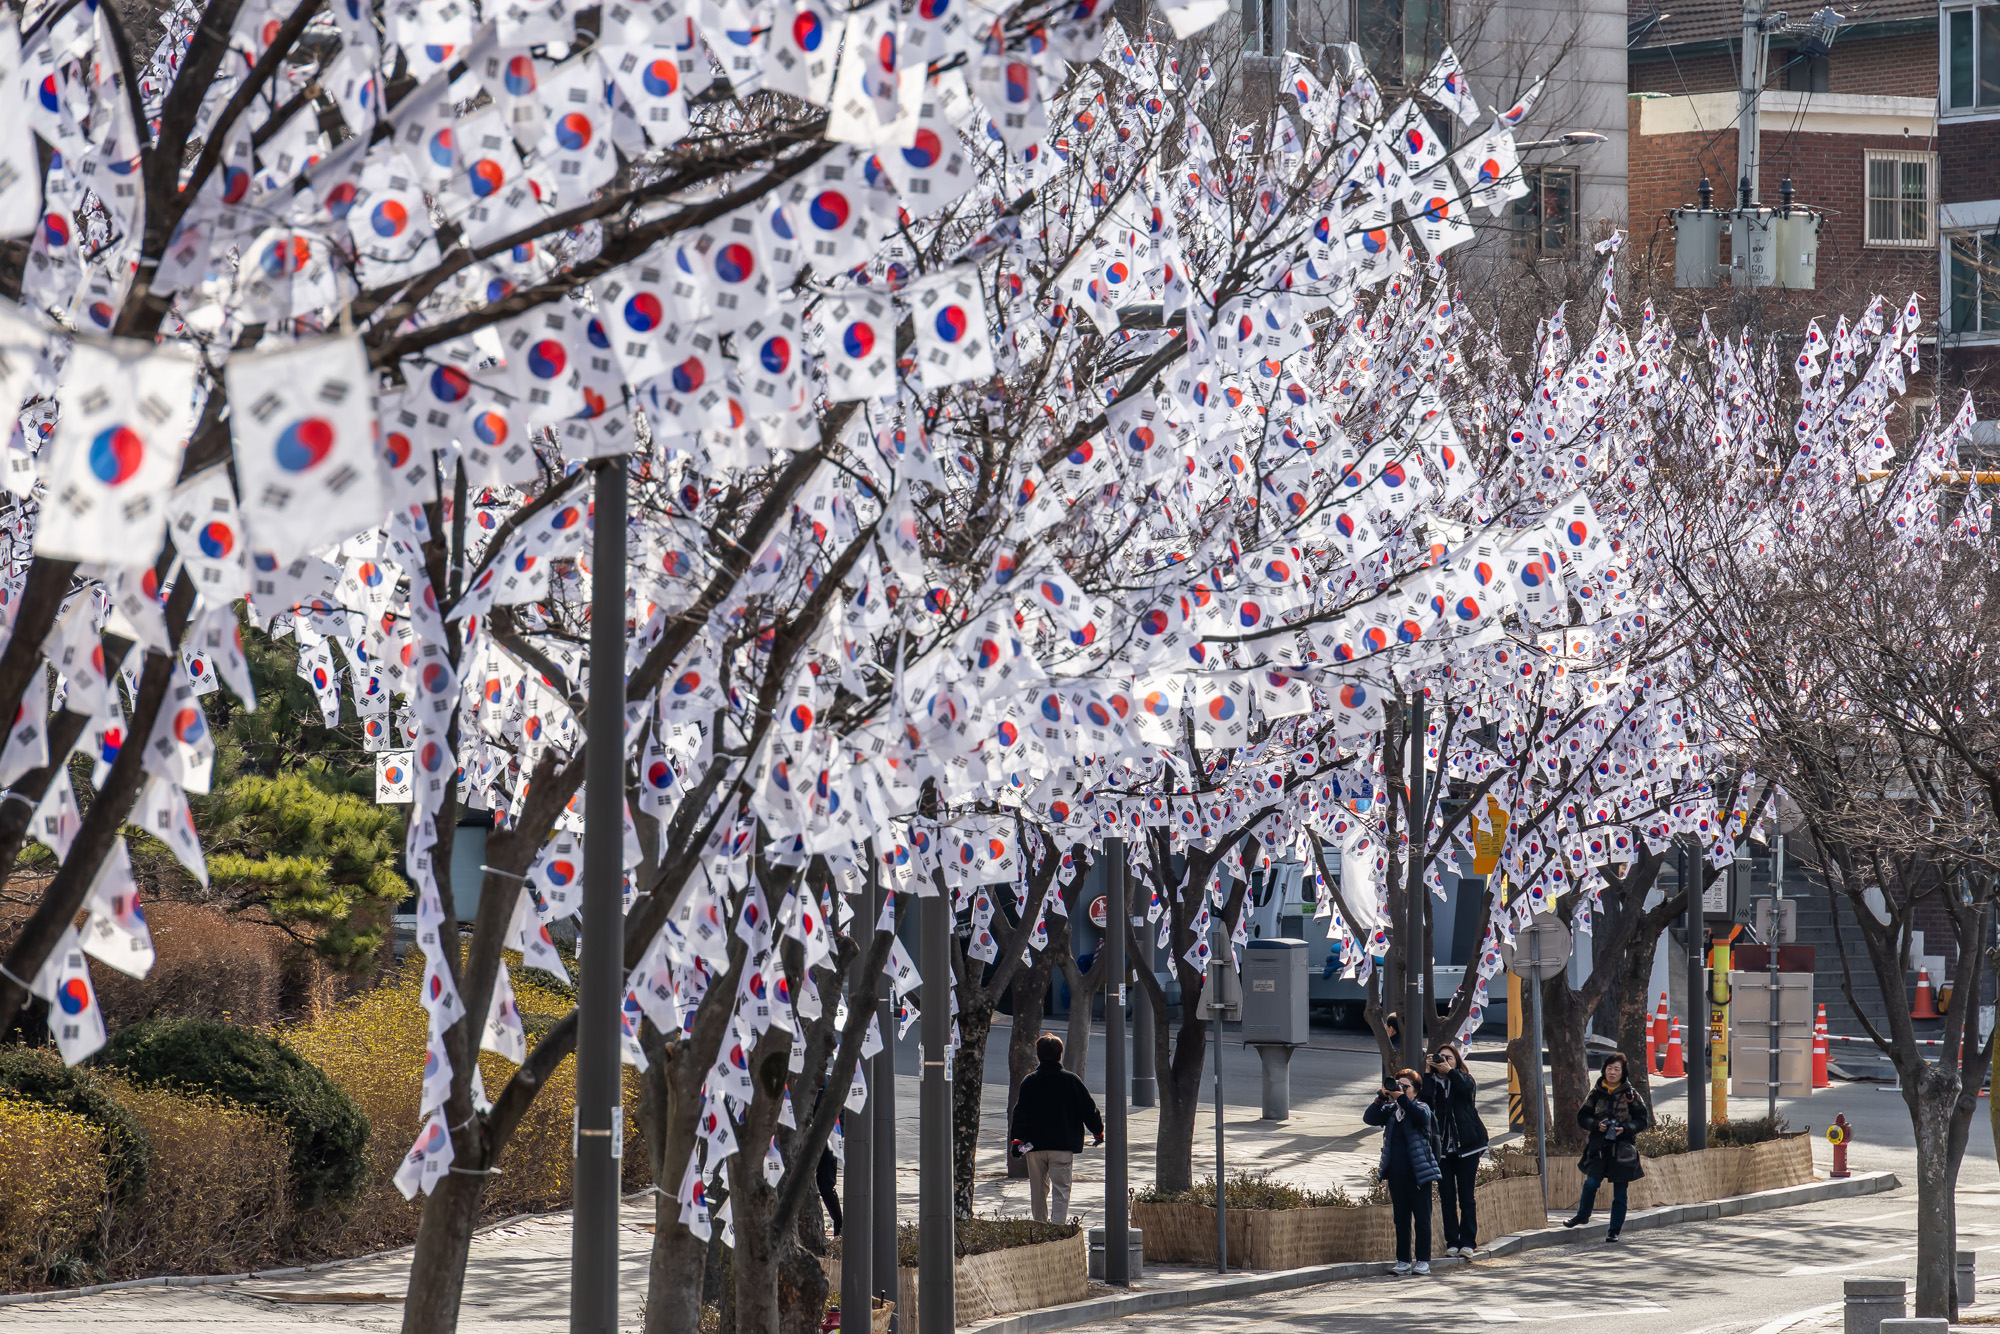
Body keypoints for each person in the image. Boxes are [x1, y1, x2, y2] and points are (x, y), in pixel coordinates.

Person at [1009, 1033, 1104, 1223]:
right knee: (1061, 1190)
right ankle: (1057, 1229)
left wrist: (1017, 1141)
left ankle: (1040, 1226)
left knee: (1038, 1191)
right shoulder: (1071, 1080)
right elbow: (1089, 1109)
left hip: (1033, 1146)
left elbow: (1020, 1113)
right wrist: (1098, 1132)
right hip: (1062, 1145)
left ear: (1038, 1054)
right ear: (1060, 1054)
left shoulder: (1030, 1081)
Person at [1563, 1051, 1652, 1241]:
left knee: (1620, 1193)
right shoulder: (1595, 1093)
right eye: (1609, 1068)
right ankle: (1582, 1215)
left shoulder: (1631, 1095)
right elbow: (1582, 1117)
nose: (1612, 1072)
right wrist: (1596, 1125)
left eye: (1616, 1069)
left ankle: (1614, 1231)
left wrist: (1625, 1128)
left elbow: (1643, 1120)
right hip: (1599, 1148)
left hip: (1622, 1151)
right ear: (1604, 1070)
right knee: (1590, 1184)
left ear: (1623, 1072)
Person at [1364, 1068, 1441, 1275]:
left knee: (1422, 1218)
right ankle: (1403, 1261)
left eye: (1405, 1086)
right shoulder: (1391, 1112)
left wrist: (1401, 1098)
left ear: (1415, 1091)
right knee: (1401, 1219)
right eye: (1398, 1085)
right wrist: (1382, 1096)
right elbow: (1369, 1118)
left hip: (1419, 1174)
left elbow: (1419, 1117)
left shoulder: (1422, 1108)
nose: (1400, 1089)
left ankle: (1423, 1260)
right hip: (1396, 1174)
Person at [1422, 1043, 1490, 1258]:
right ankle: (1452, 1242)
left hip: (1467, 1147)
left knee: (1466, 1197)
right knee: (1447, 1197)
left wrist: (1449, 1072)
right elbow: (1424, 1101)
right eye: (1439, 1058)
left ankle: (1468, 1241)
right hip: (1442, 1151)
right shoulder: (1432, 1084)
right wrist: (1427, 1073)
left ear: (1457, 1061)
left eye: (1448, 1058)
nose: (1443, 1061)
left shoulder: (1464, 1078)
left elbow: (1466, 1091)